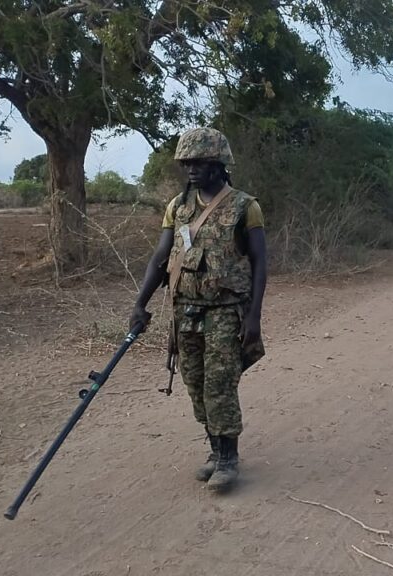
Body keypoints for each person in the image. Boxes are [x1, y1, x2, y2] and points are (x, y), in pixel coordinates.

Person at [128, 126, 267, 491]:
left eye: (199, 162)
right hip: (185, 310)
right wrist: (140, 303)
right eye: (187, 163)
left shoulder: (245, 206)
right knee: (195, 382)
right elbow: (161, 257)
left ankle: (228, 459)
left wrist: (254, 317)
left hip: (226, 310)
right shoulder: (177, 207)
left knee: (220, 383)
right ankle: (215, 451)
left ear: (219, 164)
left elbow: (260, 263)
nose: (191, 169)